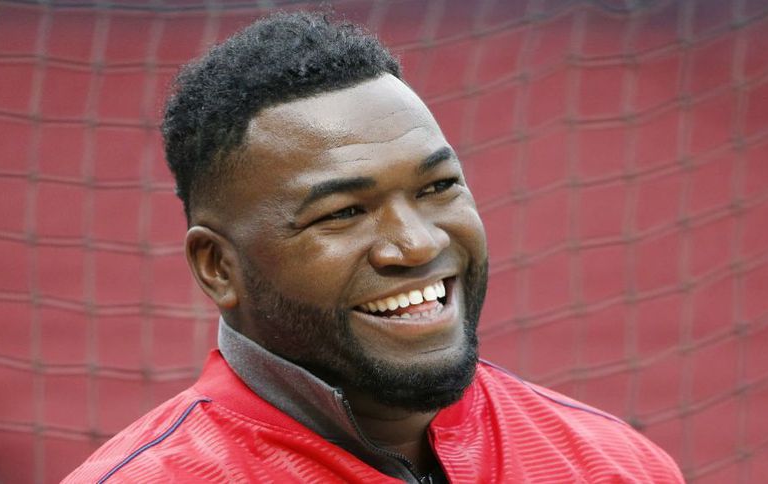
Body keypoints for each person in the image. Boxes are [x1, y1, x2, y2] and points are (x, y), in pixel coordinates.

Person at [65, 11, 683, 483]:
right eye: (343, 212)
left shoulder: (615, 466)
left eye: (438, 187)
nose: (416, 244)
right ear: (218, 266)